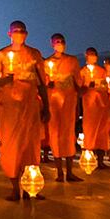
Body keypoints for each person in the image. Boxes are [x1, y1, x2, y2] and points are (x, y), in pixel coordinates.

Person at [0, 21, 47, 199]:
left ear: (26, 34)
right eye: (16, 31)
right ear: (9, 34)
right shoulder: (1, 55)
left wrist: (46, 106)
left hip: (30, 106)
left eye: (22, 31)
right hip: (10, 109)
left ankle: (31, 186)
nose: (19, 34)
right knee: (11, 145)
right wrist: (7, 79)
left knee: (31, 145)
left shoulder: (34, 54)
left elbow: (42, 83)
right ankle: (15, 187)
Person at [43, 33, 82, 181]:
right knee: (55, 134)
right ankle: (59, 172)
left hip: (69, 102)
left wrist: (80, 96)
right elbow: (43, 84)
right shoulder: (47, 63)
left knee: (68, 135)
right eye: (57, 41)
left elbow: (78, 82)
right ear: (52, 44)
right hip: (53, 102)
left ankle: (70, 172)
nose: (60, 43)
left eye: (62, 41)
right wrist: (49, 84)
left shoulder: (72, 61)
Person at [79, 46, 110, 165]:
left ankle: (101, 161)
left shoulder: (102, 71)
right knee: (90, 131)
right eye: (90, 54)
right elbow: (79, 90)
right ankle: (90, 160)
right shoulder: (82, 72)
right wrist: (87, 86)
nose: (92, 56)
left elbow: (107, 85)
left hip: (102, 105)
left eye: (94, 54)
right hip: (90, 106)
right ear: (86, 56)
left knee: (102, 131)